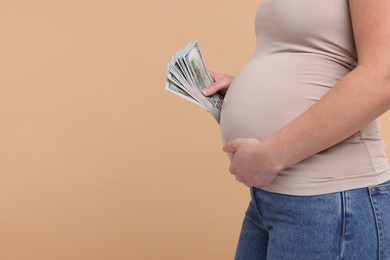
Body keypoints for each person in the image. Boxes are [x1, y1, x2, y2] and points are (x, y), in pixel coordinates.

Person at [202, 1, 390, 259]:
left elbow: (383, 77)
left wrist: (272, 155)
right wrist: (250, 92)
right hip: (271, 198)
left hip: (330, 201)